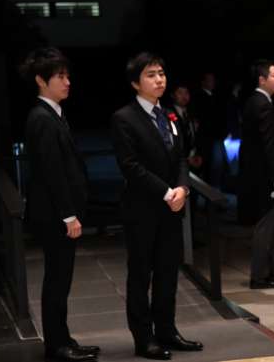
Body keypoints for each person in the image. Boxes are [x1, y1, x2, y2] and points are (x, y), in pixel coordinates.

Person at [111, 52, 203, 360]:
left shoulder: (168, 115)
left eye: (161, 73)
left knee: (168, 272)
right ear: (136, 83)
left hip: (171, 208)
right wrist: (167, 192)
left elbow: (179, 158)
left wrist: (183, 188)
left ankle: (167, 330)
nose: (159, 79)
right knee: (140, 276)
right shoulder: (124, 118)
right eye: (151, 74)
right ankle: (144, 338)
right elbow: (130, 166)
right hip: (142, 209)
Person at [22, 47, 100, 362]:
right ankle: (56, 345)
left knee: (61, 279)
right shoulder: (41, 117)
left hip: (58, 212)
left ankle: (63, 338)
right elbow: (52, 173)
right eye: (60, 76)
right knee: (56, 280)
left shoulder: (53, 113)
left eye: (67, 76)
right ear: (41, 80)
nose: (67, 82)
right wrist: (69, 215)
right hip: (55, 215)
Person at [238, 59, 274, 288]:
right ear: (262, 80)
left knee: (264, 226)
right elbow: (269, 145)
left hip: (254, 176)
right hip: (263, 178)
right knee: (264, 228)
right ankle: (259, 276)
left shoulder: (253, 102)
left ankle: (269, 272)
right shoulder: (262, 104)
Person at [168, 81, 202, 170]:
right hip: (178, 163)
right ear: (172, 95)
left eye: (186, 92)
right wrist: (186, 159)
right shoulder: (168, 114)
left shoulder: (191, 113)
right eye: (180, 92)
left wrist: (198, 154)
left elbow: (195, 136)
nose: (184, 96)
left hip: (193, 159)